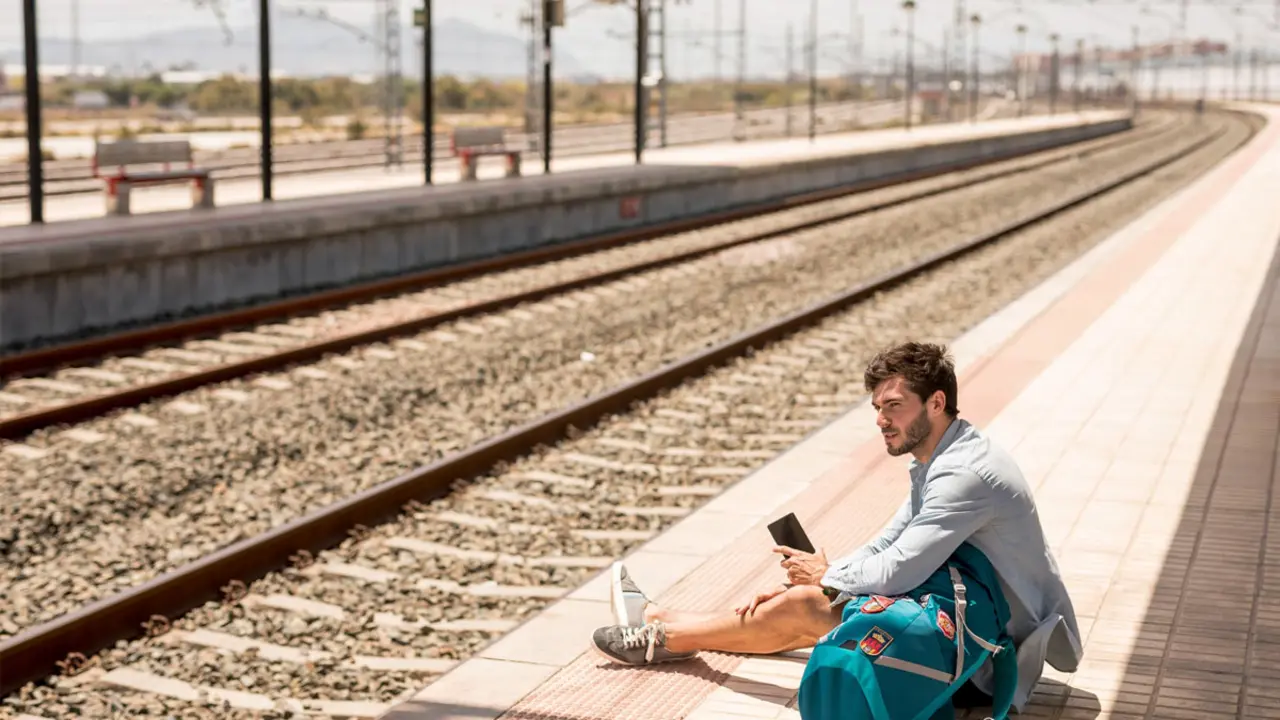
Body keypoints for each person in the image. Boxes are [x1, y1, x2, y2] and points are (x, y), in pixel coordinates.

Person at [589, 341, 1082, 712]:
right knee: (812, 601)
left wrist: (826, 579)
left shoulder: (964, 475)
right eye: (877, 409)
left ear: (936, 403)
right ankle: (663, 620)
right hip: (965, 618)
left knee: (810, 604)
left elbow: (897, 569)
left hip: (984, 659)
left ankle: (662, 636)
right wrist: (825, 574)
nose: (881, 421)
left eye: (894, 406)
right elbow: (891, 539)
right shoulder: (949, 453)